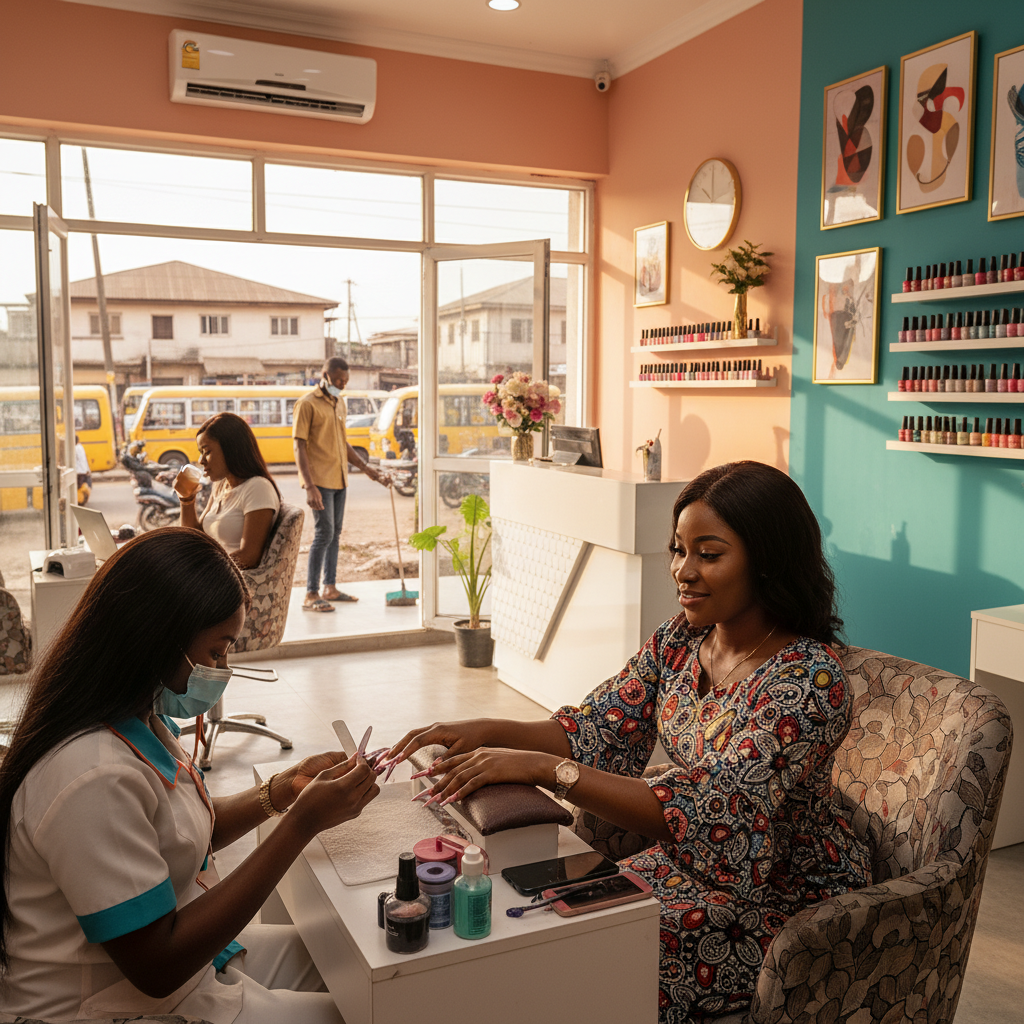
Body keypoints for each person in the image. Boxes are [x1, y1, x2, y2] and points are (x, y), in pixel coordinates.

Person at [384, 461, 873, 1023]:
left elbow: (719, 815)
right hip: (688, 864)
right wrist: (483, 729)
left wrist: (541, 767)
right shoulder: (683, 638)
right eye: (678, 549)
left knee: (592, 961)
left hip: (780, 898)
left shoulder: (807, 681)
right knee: (542, 931)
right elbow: (597, 728)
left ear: (769, 560)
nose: (683, 572)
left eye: (708, 555)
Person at [0, 528, 378, 1024]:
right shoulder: (92, 776)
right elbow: (158, 966)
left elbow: (179, 836)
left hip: (177, 969)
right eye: (218, 650)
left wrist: (283, 790)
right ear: (158, 641)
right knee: (366, 1011)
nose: (223, 668)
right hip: (107, 1003)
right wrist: (300, 824)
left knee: (363, 967)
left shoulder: (138, 718)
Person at [292, 357, 389, 612]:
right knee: (323, 534)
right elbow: (299, 445)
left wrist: (367, 469)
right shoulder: (306, 404)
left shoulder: (339, 403)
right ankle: (311, 594)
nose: (341, 385)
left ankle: (330, 587)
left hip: (339, 479)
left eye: (345, 381)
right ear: (324, 375)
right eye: (337, 381)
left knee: (335, 535)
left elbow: (343, 443)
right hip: (319, 481)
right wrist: (309, 486)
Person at [174, 412, 280, 570]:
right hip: (215, 575)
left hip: (230, 585)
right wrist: (187, 499)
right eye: (200, 453)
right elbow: (195, 537)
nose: (201, 461)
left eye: (207, 451)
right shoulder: (221, 486)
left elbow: (249, 557)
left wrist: (201, 570)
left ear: (231, 448)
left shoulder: (258, 488)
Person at [74, 433, 92, 505]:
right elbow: (84, 459)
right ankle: (82, 500)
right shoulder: (80, 447)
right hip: (84, 471)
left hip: (79, 471)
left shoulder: (75, 448)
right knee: (81, 486)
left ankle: (80, 501)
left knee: (78, 488)